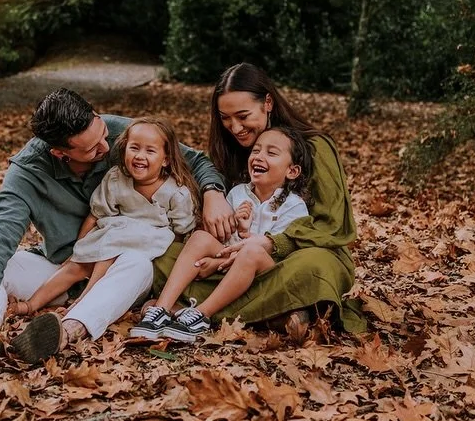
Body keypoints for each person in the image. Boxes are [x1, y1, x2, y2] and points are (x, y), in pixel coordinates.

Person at [0, 89, 229, 364]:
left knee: (138, 264)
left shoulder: (122, 134)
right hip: (62, 267)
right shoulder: (28, 172)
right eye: (92, 149)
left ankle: (67, 331)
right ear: (59, 152)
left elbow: (194, 160)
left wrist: (214, 194)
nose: (106, 147)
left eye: (103, 133)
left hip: (116, 274)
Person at [143, 63, 367, 338]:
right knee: (165, 256)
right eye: (225, 118)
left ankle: (198, 311)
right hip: (233, 254)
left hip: (297, 254)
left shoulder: (315, 147)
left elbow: (332, 225)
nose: (235, 127)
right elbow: (210, 204)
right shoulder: (234, 150)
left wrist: (272, 242)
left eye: (243, 115)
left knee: (315, 269)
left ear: (268, 102)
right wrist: (212, 193)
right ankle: (273, 313)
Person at [131, 126, 312, 341]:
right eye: (256, 151)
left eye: (271, 153)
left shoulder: (293, 205)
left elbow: (280, 251)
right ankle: (161, 308)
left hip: (267, 271)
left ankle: (201, 315)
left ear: (292, 171)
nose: (259, 157)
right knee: (200, 238)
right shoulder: (238, 193)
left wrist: (218, 262)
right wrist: (239, 228)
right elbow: (221, 238)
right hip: (230, 260)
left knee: (252, 251)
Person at [9, 117, 197, 318]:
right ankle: (31, 305)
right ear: (124, 150)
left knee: (107, 257)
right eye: (134, 148)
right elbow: (95, 214)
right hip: (113, 233)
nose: (140, 156)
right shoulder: (117, 178)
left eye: (150, 151)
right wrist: (79, 248)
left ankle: (82, 301)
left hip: (147, 244)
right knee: (75, 266)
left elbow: (181, 232)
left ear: (166, 159)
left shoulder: (176, 192)